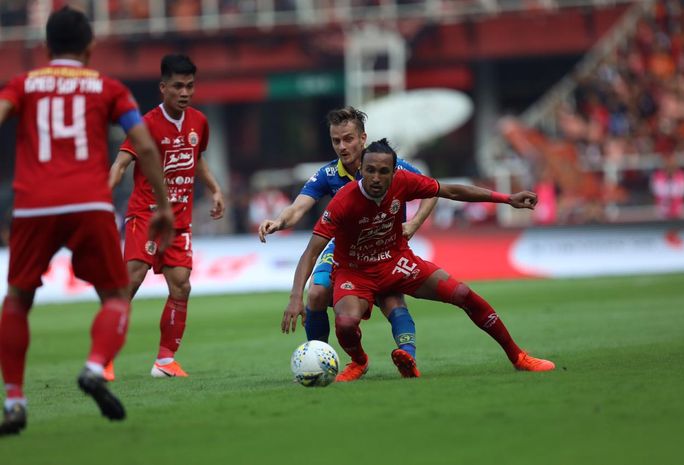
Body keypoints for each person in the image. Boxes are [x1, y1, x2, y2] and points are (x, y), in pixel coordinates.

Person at [0, 6, 174, 435]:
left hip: (32, 205)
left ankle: (15, 401)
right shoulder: (109, 88)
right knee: (116, 294)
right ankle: (95, 367)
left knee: (18, 299)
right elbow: (146, 147)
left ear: (45, 46)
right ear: (91, 46)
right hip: (89, 204)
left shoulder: (22, 84)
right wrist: (165, 207)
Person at [283, 139, 555, 381]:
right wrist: (297, 296)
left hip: (396, 262)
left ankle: (518, 357)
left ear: (393, 173)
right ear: (360, 171)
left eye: (383, 171)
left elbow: (452, 192)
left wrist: (507, 199)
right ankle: (360, 361)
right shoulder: (343, 201)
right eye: (370, 171)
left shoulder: (405, 183)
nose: (376, 177)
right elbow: (312, 251)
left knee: (463, 294)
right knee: (345, 324)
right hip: (354, 273)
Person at [259, 107, 437, 379]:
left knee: (391, 300)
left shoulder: (392, 166)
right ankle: (320, 363)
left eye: (348, 139)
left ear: (362, 138)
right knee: (316, 293)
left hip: (386, 247)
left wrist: (414, 224)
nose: (342, 147)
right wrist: (279, 221)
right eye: (336, 141)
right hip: (345, 249)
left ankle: (408, 357)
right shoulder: (328, 174)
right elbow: (297, 208)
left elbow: (432, 190)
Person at [107, 54, 225, 379]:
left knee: (181, 285)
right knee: (132, 278)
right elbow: (120, 164)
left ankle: (164, 361)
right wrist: (104, 194)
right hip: (145, 214)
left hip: (178, 220)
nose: (184, 92)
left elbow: (196, 159)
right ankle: (103, 356)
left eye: (189, 86)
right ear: (163, 88)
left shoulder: (199, 122)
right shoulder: (144, 124)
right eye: (177, 86)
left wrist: (215, 189)